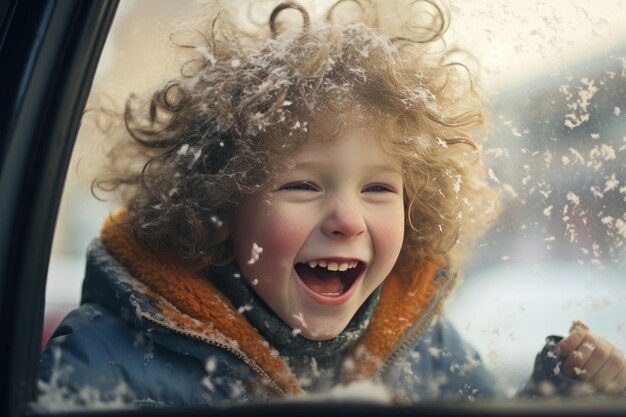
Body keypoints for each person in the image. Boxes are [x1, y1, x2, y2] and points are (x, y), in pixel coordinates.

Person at [37, 0, 626, 409]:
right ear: (219, 208)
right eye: (301, 186)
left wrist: (561, 395)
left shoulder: (424, 346)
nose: (348, 219)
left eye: (378, 189)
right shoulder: (109, 358)